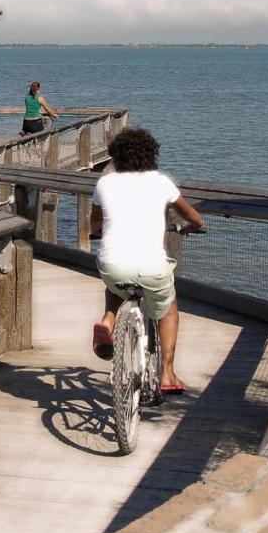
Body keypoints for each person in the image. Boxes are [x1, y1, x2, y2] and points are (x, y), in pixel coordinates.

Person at [89, 127, 205, 395]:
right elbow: (193, 216)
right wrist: (198, 225)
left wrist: (96, 231)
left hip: (113, 263)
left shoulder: (105, 183)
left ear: (117, 156)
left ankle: (108, 320)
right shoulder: (161, 183)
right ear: (151, 154)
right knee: (168, 308)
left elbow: (95, 221)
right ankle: (166, 373)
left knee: (116, 284)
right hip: (152, 267)